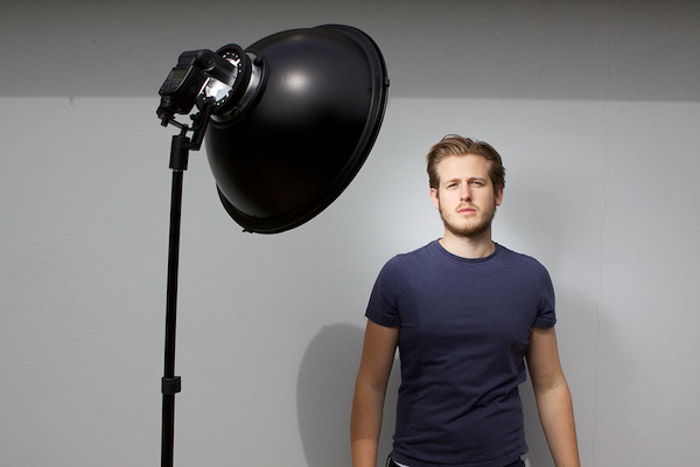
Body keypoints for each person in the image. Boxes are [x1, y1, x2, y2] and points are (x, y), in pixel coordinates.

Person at [350, 135, 580, 467]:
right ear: (435, 197)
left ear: (498, 193)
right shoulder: (399, 275)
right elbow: (371, 383)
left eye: (477, 182)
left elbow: (550, 385)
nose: (465, 194)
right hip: (416, 461)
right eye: (452, 184)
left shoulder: (530, 277)